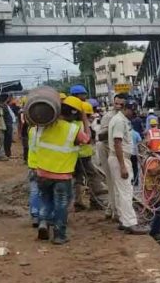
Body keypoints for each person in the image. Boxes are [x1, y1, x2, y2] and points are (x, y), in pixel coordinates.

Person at [36, 96, 92, 244]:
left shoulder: (45, 125)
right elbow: (87, 140)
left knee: (45, 199)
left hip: (42, 172)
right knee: (61, 205)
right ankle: (59, 235)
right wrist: (85, 120)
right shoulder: (73, 129)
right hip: (62, 175)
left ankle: (43, 221)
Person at [108, 94, 146, 234]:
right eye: (133, 111)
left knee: (120, 191)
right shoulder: (119, 121)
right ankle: (130, 223)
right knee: (126, 191)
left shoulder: (122, 120)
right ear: (126, 108)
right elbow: (117, 143)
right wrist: (123, 165)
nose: (134, 114)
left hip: (120, 158)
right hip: (120, 159)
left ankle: (124, 220)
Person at [73, 101, 108, 209]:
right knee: (94, 177)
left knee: (78, 178)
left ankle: (78, 202)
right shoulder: (82, 124)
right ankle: (95, 201)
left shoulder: (72, 124)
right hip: (83, 156)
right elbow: (88, 139)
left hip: (74, 156)